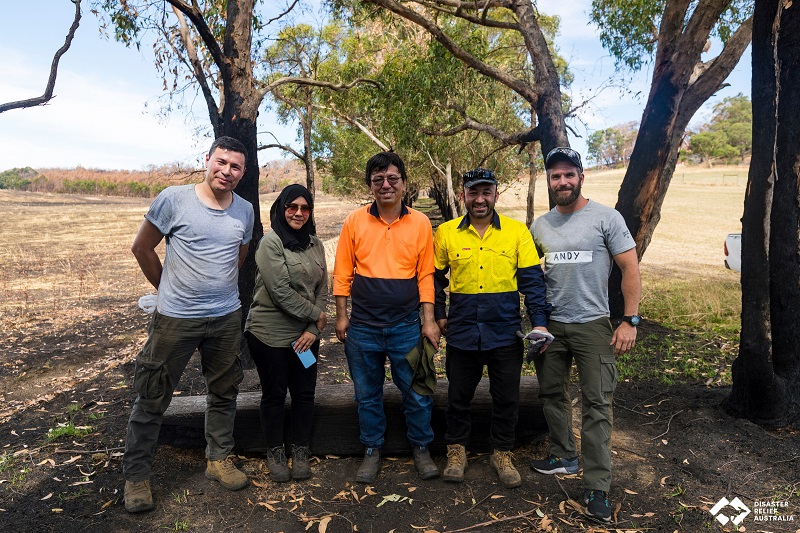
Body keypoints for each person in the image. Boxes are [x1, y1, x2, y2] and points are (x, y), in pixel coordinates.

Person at [123, 136, 254, 513]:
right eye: (221, 162)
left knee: (225, 390)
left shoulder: (244, 210)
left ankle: (218, 459)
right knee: (152, 395)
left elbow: (239, 256)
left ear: (243, 173)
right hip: (175, 319)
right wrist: (167, 288)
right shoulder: (174, 199)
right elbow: (142, 247)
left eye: (235, 167)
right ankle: (137, 477)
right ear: (207, 159)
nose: (226, 171)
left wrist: (218, 292)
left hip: (226, 317)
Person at [530, 147, 641, 522]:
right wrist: (536, 322)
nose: (562, 181)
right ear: (549, 182)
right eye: (555, 176)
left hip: (594, 324)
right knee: (551, 393)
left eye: (568, 174)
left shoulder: (606, 218)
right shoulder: (540, 225)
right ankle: (563, 455)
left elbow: (630, 268)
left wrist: (630, 320)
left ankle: (597, 486)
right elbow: (531, 276)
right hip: (552, 327)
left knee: (597, 405)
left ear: (581, 176)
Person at [433, 168, 551, 489]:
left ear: (496, 195)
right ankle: (456, 452)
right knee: (458, 397)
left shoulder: (516, 232)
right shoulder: (445, 233)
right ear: (463, 196)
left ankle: (502, 453)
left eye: (487, 192)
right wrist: (438, 314)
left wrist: (538, 321)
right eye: (474, 192)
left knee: (507, 398)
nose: (480, 199)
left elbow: (532, 282)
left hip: (505, 332)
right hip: (462, 332)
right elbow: (434, 278)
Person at [333, 151, 441, 483]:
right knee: (366, 394)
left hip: (407, 326)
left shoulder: (420, 223)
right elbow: (341, 272)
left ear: (404, 184)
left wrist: (429, 320)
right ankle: (371, 450)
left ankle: (421, 448)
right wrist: (341, 316)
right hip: (363, 328)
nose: (386, 185)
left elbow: (425, 275)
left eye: (392, 178)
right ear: (370, 186)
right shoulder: (355, 221)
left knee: (418, 392)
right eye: (378, 179)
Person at [245, 184, 327, 483]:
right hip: (270, 336)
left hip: (304, 339)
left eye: (305, 208)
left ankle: (301, 449)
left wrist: (311, 330)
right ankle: (275, 451)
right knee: (275, 393)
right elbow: (280, 292)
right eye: (292, 207)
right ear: (281, 208)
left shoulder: (316, 244)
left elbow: (322, 289)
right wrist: (317, 316)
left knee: (305, 393)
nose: (298, 213)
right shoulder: (271, 243)